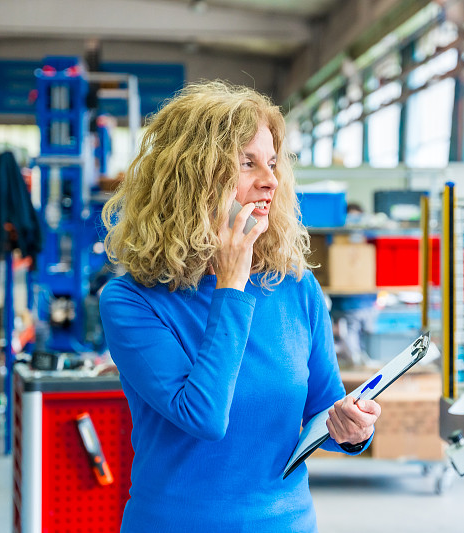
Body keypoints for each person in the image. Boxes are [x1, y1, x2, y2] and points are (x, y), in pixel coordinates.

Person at [99, 80, 381, 532]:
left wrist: (351, 430)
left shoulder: (295, 287)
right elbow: (203, 415)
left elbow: (322, 412)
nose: (269, 179)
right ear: (191, 178)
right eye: (247, 163)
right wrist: (231, 283)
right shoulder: (132, 300)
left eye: (271, 163)